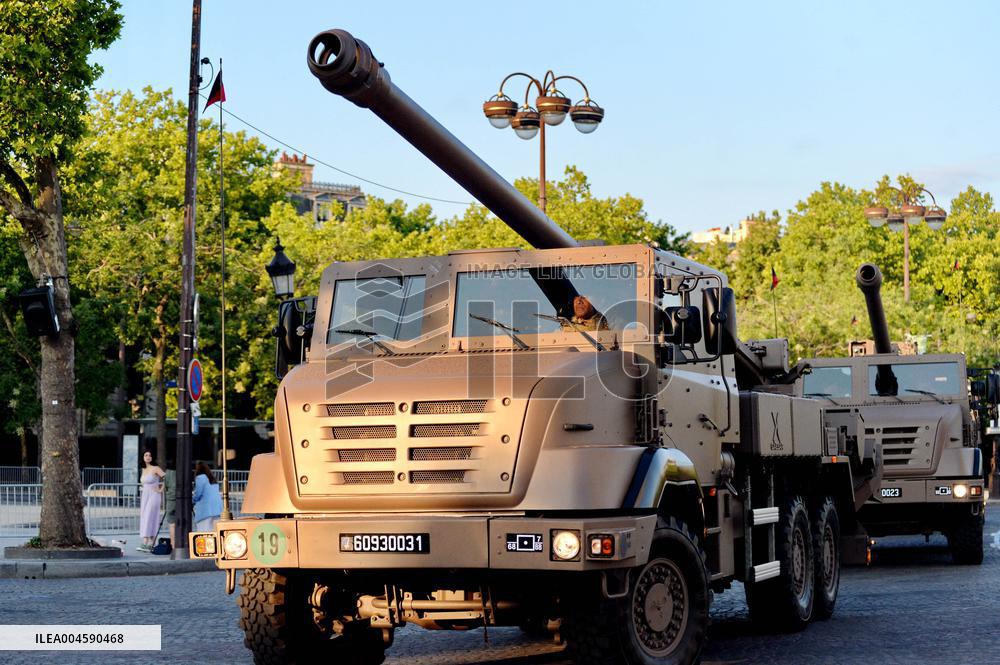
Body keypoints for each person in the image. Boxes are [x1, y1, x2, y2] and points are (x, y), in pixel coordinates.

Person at [138, 450, 165, 552]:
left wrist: (160, 490)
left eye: (150, 455)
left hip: (154, 495)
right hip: (145, 495)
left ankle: (147, 542)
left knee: (150, 516)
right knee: (145, 517)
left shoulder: (156, 468)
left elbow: (167, 478)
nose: (148, 457)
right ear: (143, 457)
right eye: (146, 455)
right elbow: (144, 482)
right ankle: (149, 542)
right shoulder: (143, 469)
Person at [193, 462, 223, 532]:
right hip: (217, 510)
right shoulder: (212, 479)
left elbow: (198, 494)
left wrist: (192, 499)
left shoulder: (200, 478)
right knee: (214, 533)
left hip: (205, 511)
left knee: (203, 533)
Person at [162, 467, 176, 546]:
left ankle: (173, 544)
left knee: (172, 524)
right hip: (182, 499)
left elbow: (166, 485)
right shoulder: (183, 470)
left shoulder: (167, 472)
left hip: (171, 499)